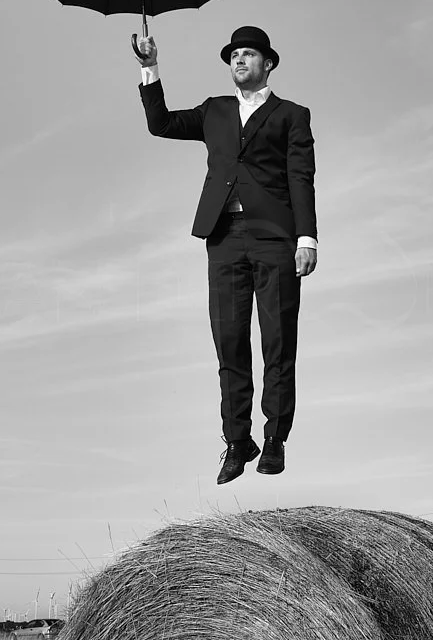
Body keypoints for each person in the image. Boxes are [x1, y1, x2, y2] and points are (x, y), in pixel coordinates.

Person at [132, 24, 317, 483]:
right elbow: (161, 124)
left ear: (267, 63)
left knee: (277, 341)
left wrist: (307, 238)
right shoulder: (213, 111)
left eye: (249, 54)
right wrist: (149, 65)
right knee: (229, 342)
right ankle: (237, 441)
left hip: (275, 236)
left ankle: (275, 437)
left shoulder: (292, 115)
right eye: (234, 54)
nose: (239, 60)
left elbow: (301, 178)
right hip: (223, 237)